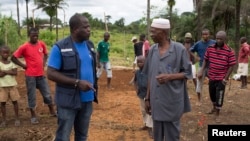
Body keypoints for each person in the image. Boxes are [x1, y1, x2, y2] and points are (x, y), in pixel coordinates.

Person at [47, 13, 98, 141]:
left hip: (87, 100)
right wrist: (77, 82)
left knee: (82, 136)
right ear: (75, 29)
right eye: (85, 27)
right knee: (63, 136)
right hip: (67, 101)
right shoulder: (60, 47)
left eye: (89, 27)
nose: (89, 29)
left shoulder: (90, 45)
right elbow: (51, 73)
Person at [143, 18, 192, 141]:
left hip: (172, 101)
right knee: (157, 136)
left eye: (154, 32)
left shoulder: (179, 49)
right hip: (156, 100)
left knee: (172, 136)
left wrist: (170, 77)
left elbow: (187, 73)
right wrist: (148, 98)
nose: (151, 34)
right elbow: (150, 75)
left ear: (163, 33)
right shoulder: (153, 50)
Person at [11, 27, 56, 124]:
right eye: (33, 35)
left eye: (37, 34)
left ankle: (52, 111)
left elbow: (46, 54)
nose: (35, 36)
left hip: (41, 75)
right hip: (30, 76)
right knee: (32, 96)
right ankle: (33, 116)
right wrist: (23, 66)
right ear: (29, 35)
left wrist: (44, 63)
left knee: (47, 93)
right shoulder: (24, 47)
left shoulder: (41, 44)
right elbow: (13, 57)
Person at [198, 31, 236, 123]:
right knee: (212, 94)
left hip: (221, 78)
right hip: (212, 76)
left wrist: (225, 78)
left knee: (220, 95)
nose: (218, 40)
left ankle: (218, 113)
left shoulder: (229, 51)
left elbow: (231, 65)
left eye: (221, 39)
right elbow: (205, 60)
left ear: (224, 39)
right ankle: (214, 108)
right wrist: (201, 70)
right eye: (217, 38)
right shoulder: (210, 48)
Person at [189, 29, 216, 106]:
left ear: (209, 34)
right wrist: (196, 57)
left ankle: (214, 101)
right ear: (202, 35)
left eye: (206, 34)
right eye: (203, 34)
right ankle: (199, 100)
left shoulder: (214, 43)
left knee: (213, 83)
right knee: (199, 83)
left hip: (212, 66)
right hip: (202, 66)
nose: (205, 36)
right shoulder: (198, 44)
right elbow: (190, 50)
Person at [0, 45, 20, 127]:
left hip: (12, 86)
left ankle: (17, 118)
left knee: (15, 102)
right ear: (0, 53)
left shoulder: (12, 63)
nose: (5, 54)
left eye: (7, 53)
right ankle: (4, 120)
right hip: (2, 87)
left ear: (9, 54)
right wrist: (9, 71)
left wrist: (4, 71)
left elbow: (15, 73)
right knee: (2, 103)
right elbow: (0, 75)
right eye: (4, 53)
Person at [133, 55, 153, 138]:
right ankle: (146, 124)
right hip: (141, 94)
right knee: (143, 110)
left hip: (149, 95)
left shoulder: (149, 72)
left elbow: (151, 83)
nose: (139, 64)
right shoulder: (137, 72)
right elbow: (135, 81)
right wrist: (136, 89)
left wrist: (148, 95)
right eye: (138, 62)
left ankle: (150, 127)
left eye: (141, 62)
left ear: (146, 63)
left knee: (149, 111)